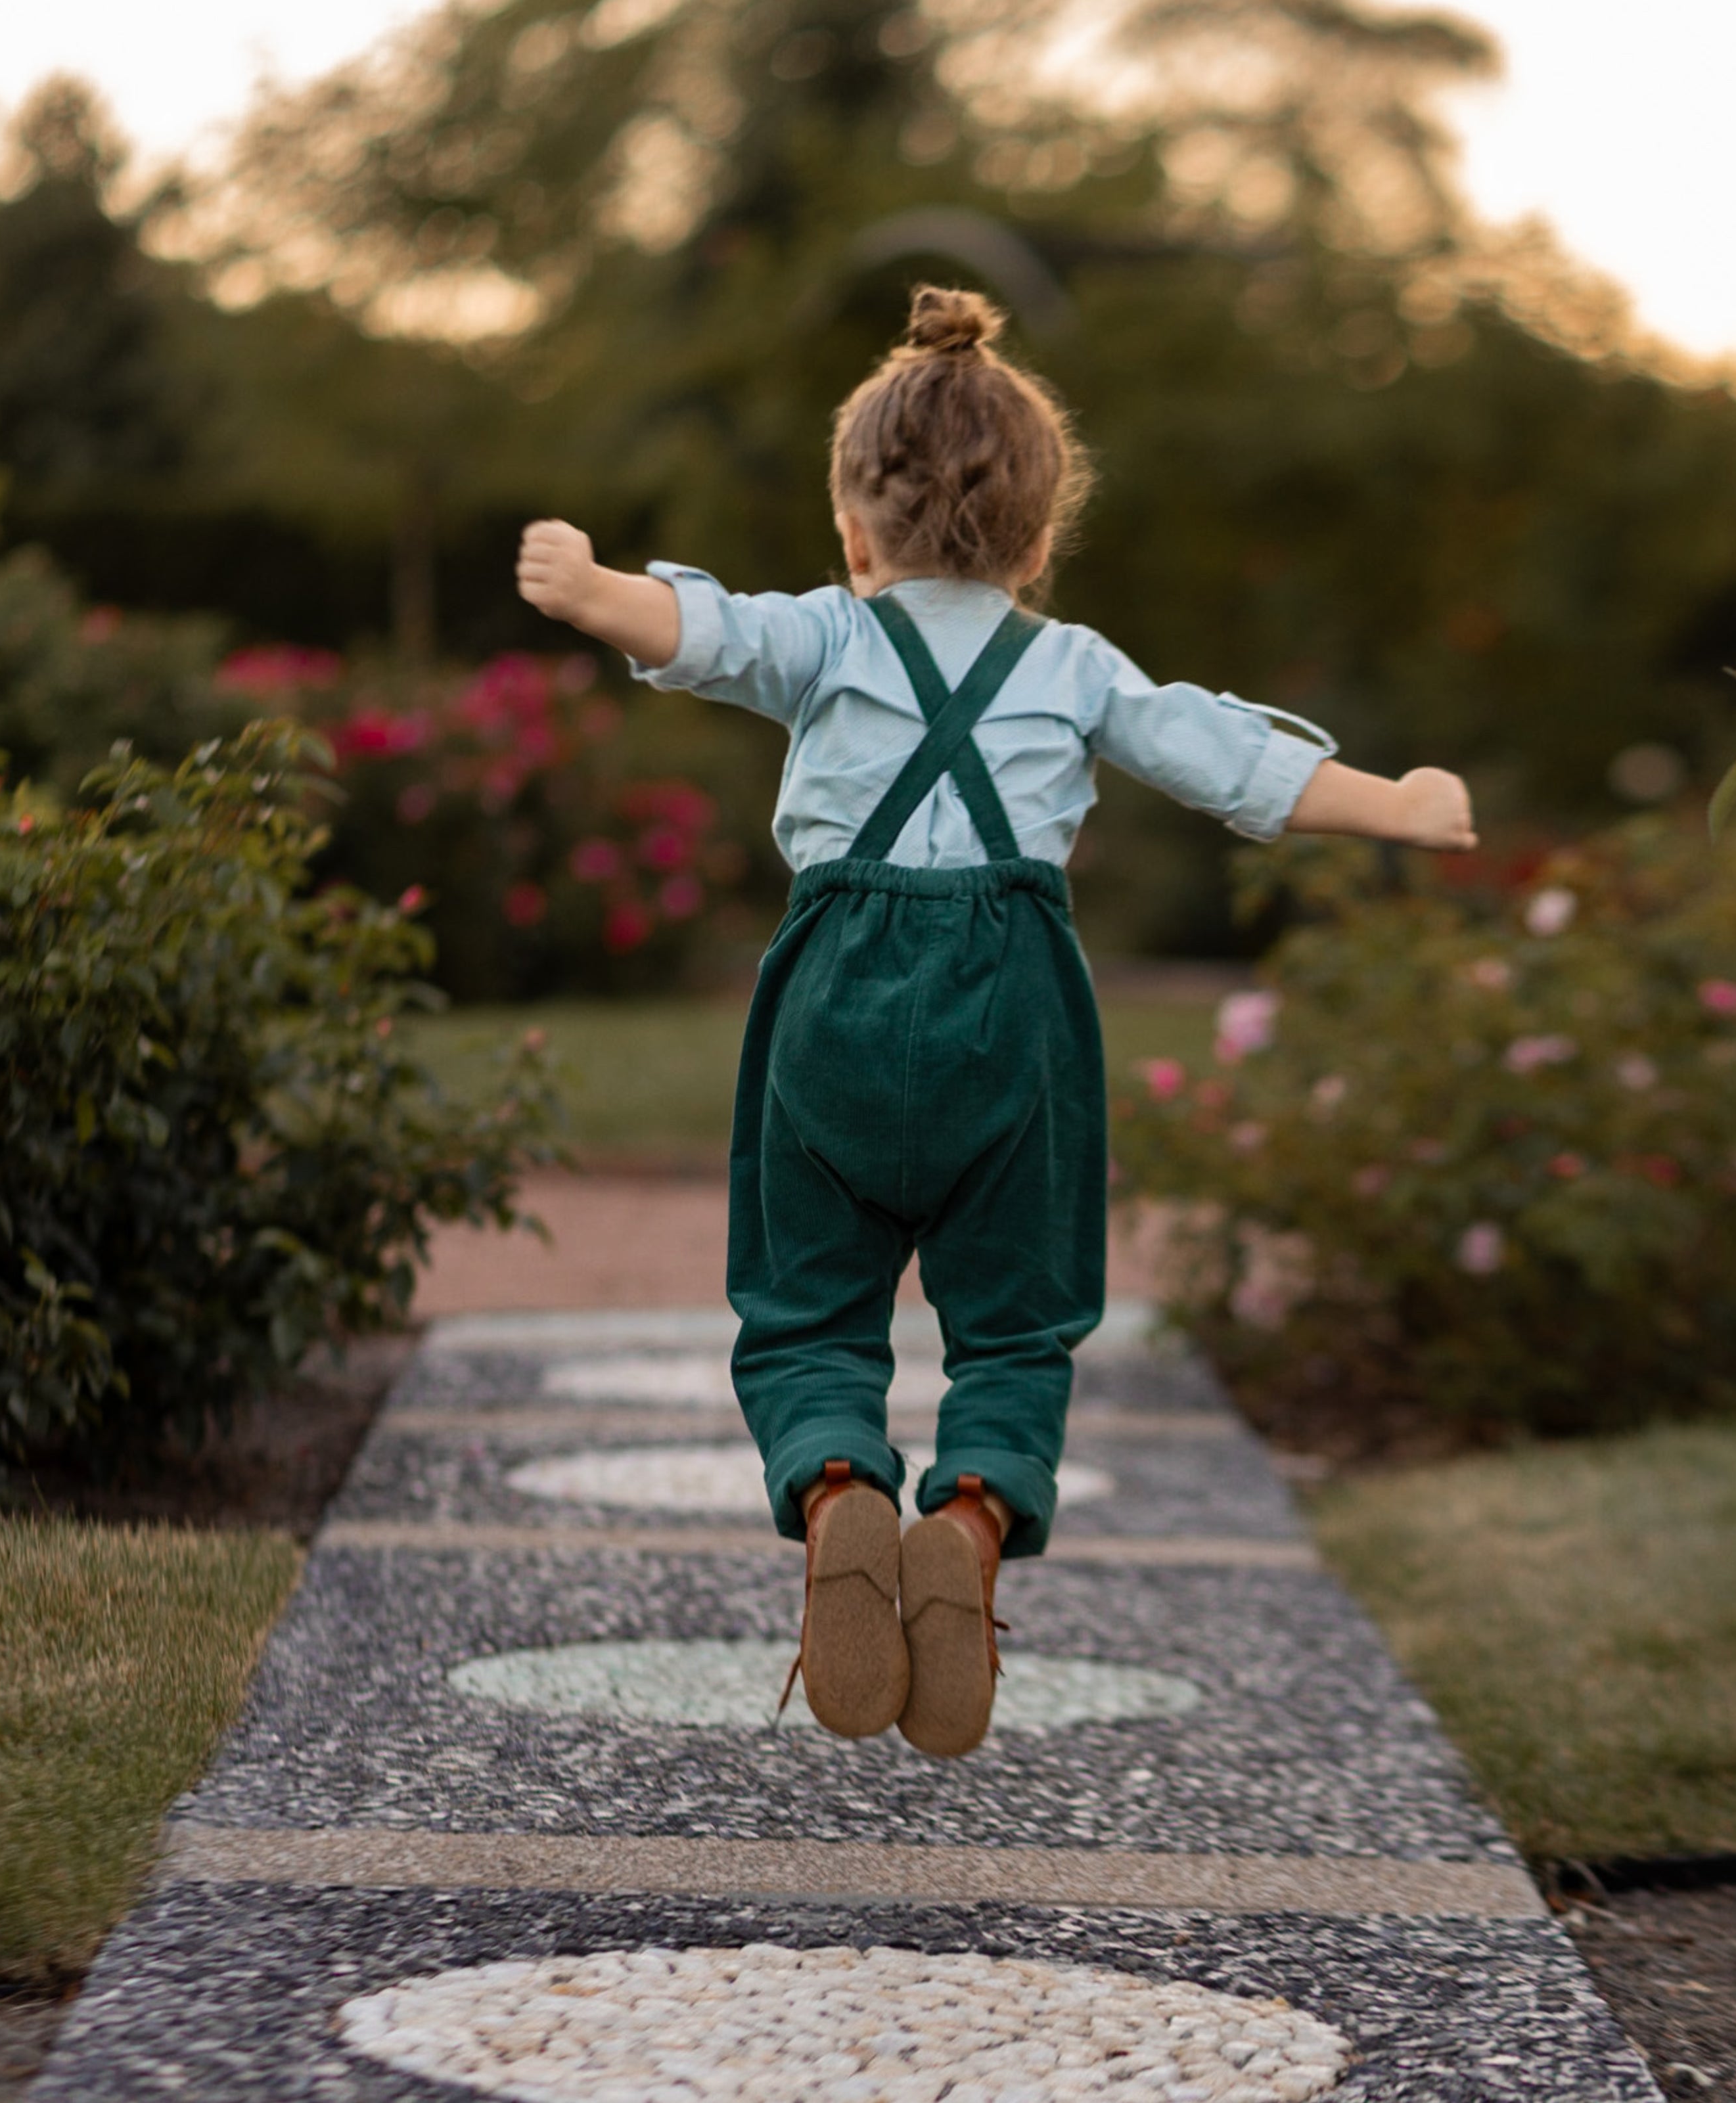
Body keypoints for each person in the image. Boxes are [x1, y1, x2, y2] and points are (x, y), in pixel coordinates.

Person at [516, 284, 1475, 1759]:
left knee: (807, 1302)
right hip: (1010, 1011)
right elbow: (1231, 765)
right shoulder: (1072, 665)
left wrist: (587, 584)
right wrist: (1397, 804)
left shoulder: (825, 636)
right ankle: (967, 1515)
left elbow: (696, 629)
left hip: (835, 991)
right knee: (1017, 1321)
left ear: (853, 525)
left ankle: (840, 1489)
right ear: (1035, 542)